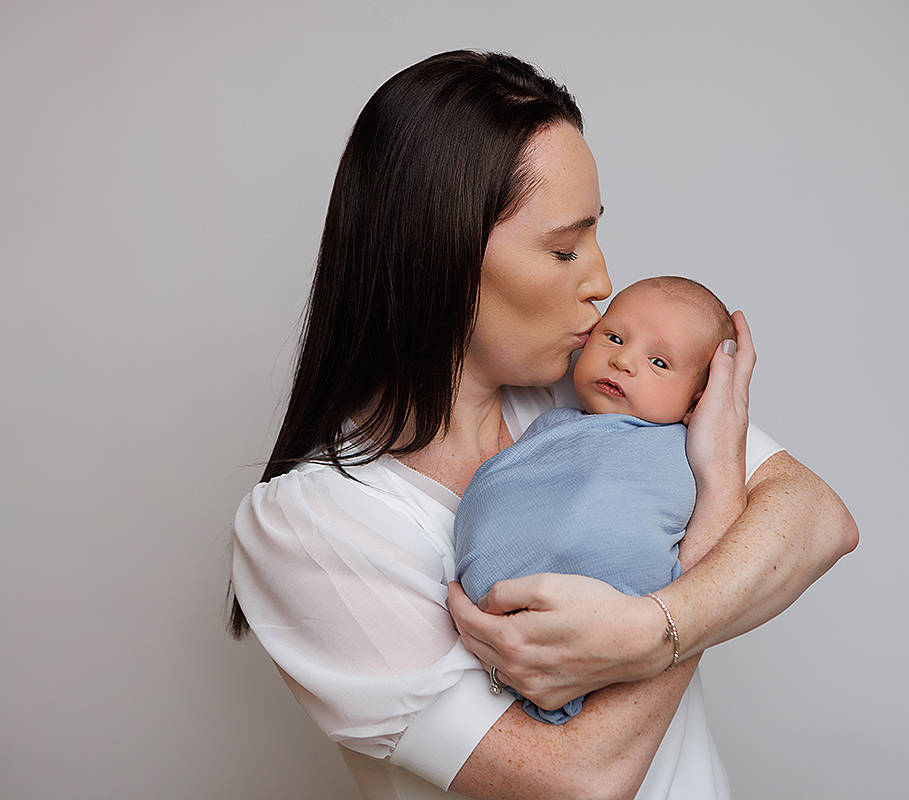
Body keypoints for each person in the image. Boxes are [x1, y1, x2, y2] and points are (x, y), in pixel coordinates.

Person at [227, 50, 858, 800]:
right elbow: (581, 778)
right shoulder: (312, 525)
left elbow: (818, 517)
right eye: (563, 248)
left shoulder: (594, 384)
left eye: (594, 238)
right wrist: (708, 541)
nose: (601, 282)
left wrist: (658, 620)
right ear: (442, 257)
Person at [454, 276, 740, 724]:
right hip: (498, 611)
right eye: (613, 337)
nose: (623, 360)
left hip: (626, 614)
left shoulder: (692, 445)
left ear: (698, 400)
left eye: (659, 362)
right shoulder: (552, 422)